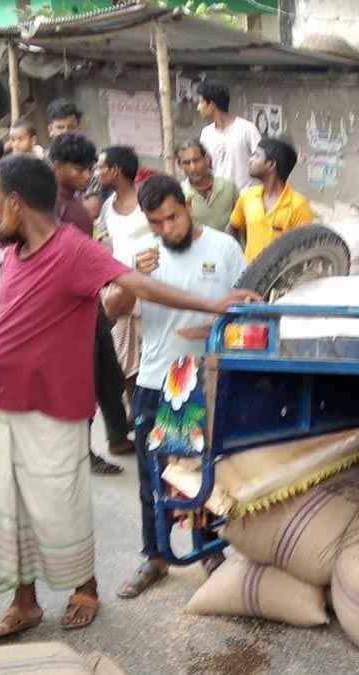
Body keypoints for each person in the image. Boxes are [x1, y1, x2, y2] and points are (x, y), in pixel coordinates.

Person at [0, 154, 257, 640]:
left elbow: (133, 285)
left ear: (16, 201)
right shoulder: (13, 251)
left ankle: (89, 586)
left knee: (66, 500)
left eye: (0, 200)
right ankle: (25, 601)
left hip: (61, 402)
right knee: (8, 505)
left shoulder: (73, 248)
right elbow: (112, 303)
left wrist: (213, 306)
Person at [104, 175, 245, 599]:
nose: (167, 229)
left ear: (186, 205)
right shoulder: (138, 252)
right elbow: (111, 310)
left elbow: (247, 305)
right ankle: (156, 556)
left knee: (204, 469)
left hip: (209, 376)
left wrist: (213, 325)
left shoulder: (224, 247)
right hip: (155, 376)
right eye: (157, 222)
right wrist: (130, 280)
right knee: (152, 472)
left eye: (173, 217)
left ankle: (207, 551)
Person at [49, 133, 134, 474]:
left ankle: (116, 435)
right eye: (80, 169)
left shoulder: (72, 201)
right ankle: (80, 453)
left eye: (90, 168)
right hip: (68, 307)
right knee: (82, 382)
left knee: (109, 373)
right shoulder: (49, 204)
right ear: (58, 167)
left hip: (88, 300)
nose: (89, 175)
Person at [96, 146, 154, 407]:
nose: (97, 173)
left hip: (151, 287)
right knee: (125, 358)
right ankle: (136, 408)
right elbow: (107, 240)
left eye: (101, 167)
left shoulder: (147, 200)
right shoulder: (107, 206)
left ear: (116, 171)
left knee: (151, 353)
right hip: (120, 289)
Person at [229, 137, 314, 262]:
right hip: (250, 277)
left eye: (256, 155)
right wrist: (238, 260)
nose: (250, 160)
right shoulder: (247, 196)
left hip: (282, 279)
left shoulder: (298, 205)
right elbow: (233, 227)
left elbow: (305, 250)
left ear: (271, 164)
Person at [197, 81, 262, 191]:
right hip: (218, 200)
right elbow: (206, 168)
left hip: (244, 199)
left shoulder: (247, 129)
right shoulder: (206, 133)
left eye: (201, 102)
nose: (198, 107)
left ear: (212, 104)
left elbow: (262, 162)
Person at [178, 140, 239, 235]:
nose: (193, 167)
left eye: (196, 160)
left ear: (206, 159)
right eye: (186, 163)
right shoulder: (179, 194)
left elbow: (242, 222)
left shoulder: (229, 187)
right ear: (180, 165)